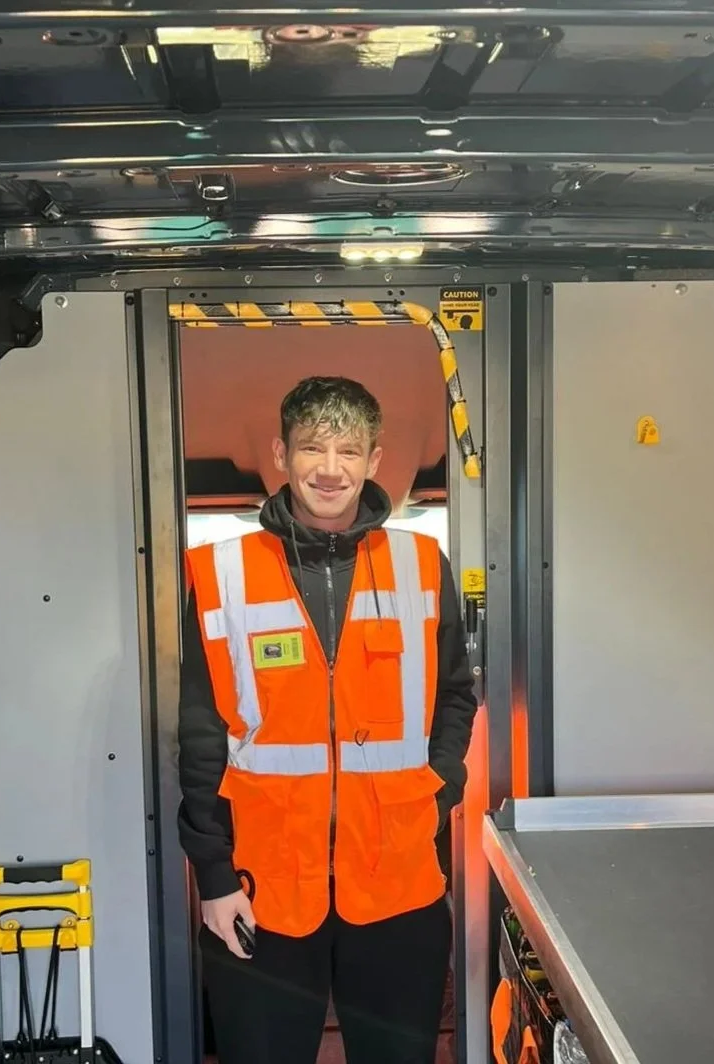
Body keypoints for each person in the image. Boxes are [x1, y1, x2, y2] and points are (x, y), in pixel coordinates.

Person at [178, 375, 478, 1064]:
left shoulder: (422, 565)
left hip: (399, 882)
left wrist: (439, 792)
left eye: (349, 450)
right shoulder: (221, 572)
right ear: (282, 456)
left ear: (375, 461)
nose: (330, 469)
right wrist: (215, 879)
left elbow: (454, 695)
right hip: (264, 888)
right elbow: (199, 734)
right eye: (313, 448)